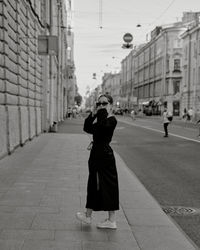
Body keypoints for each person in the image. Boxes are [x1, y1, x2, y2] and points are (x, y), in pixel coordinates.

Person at [76, 94, 119, 229]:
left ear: (111, 104)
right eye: (98, 104)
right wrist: (92, 114)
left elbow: (101, 127)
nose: (101, 106)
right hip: (97, 155)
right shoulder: (102, 118)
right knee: (93, 184)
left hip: (104, 156)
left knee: (108, 186)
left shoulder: (111, 120)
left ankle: (111, 220)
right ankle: (88, 216)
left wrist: (100, 112)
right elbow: (87, 128)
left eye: (104, 103)